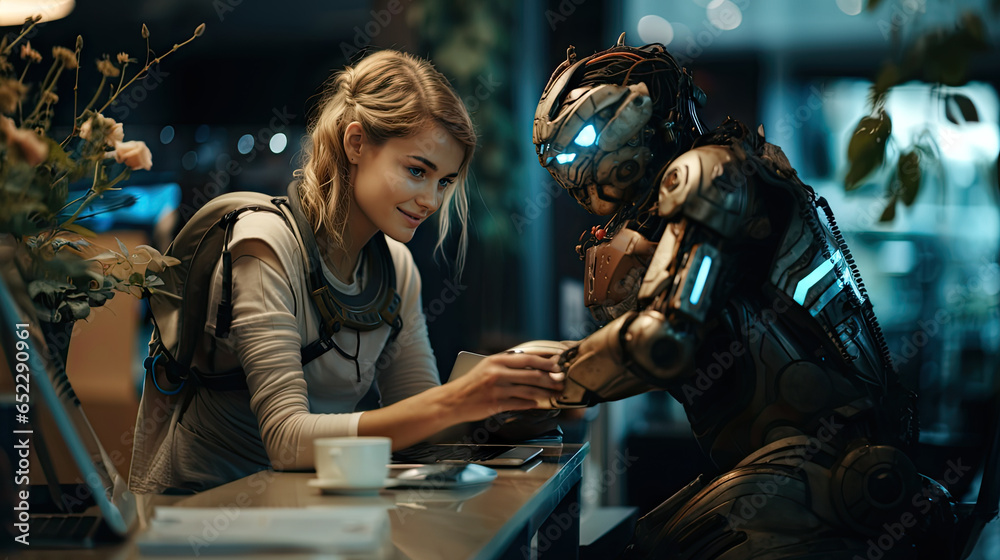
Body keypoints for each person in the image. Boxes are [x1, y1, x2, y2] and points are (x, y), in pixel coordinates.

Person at [532, 35, 985, 558]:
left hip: (823, 478)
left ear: (641, 113)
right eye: (557, 155)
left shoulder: (711, 174)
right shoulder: (694, 189)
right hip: (787, 467)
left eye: (583, 139)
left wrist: (528, 385)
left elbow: (663, 340)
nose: (569, 167)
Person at [129, 50, 564, 494]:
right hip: (203, 518)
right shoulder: (263, 246)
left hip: (306, 513)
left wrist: (516, 402)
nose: (432, 200)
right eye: (417, 170)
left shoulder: (396, 268)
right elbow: (286, 440)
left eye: (445, 181)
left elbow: (421, 426)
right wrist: (458, 400)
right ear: (356, 144)